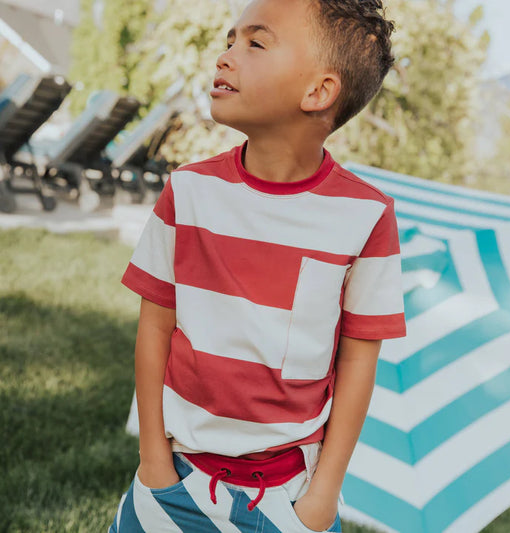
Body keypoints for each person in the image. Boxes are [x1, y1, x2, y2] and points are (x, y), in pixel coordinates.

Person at [109, 0, 405, 531]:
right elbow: (155, 327)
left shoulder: (367, 216)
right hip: (173, 480)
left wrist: (322, 497)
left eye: (255, 43)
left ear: (318, 91)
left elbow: (358, 362)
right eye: (230, 40)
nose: (225, 56)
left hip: (290, 500)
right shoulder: (188, 191)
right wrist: (155, 465)